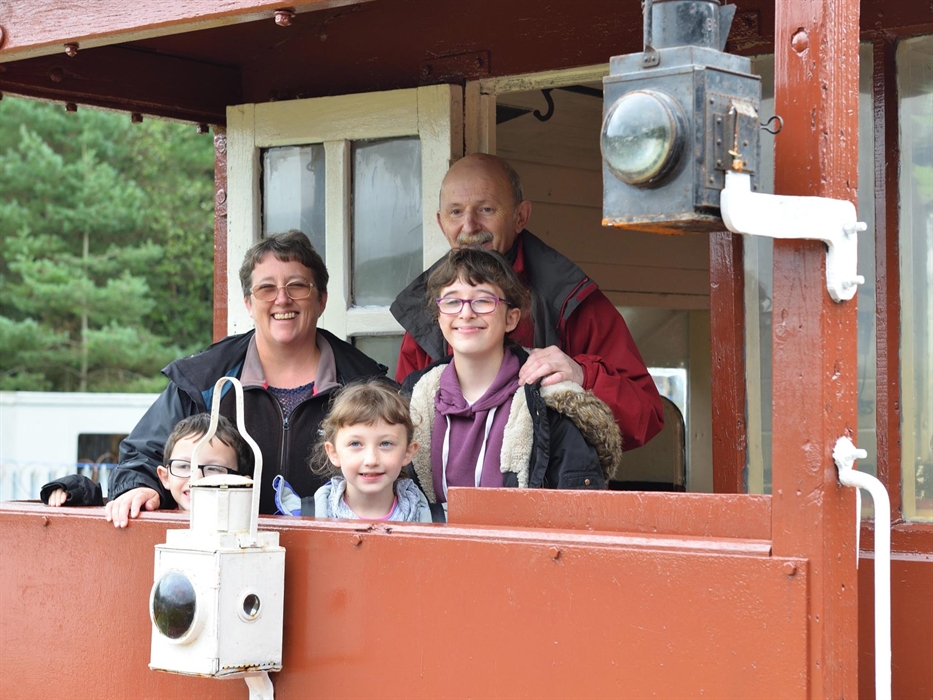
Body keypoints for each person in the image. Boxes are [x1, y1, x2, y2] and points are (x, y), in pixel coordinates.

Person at [105, 231, 386, 527]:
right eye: (266, 288)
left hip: (337, 559)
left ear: (322, 300)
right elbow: (143, 454)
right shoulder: (204, 380)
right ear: (249, 304)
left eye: (297, 286)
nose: (282, 299)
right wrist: (139, 485)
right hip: (227, 555)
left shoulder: (365, 384)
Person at [391, 153, 664, 451]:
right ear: (442, 224)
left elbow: (646, 417)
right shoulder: (429, 305)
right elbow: (402, 428)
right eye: (456, 212)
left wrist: (582, 375)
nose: (469, 227)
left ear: (520, 216)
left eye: (485, 209)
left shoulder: (569, 298)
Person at [400, 248, 621, 510]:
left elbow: (580, 518)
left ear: (511, 318)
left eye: (482, 301)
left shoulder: (551, 403)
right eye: (451, 301)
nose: (466, 313)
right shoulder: (411, 399)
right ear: (438, 317)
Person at [272, 378, 431, 522]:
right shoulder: (300, 519)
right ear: (333, 453)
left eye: (386, 444)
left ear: (408, 452)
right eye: (355, 444)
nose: (371, 460)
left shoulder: (436, 521)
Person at [41, 413, 251, 510]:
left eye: (214, 468)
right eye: (184, 466)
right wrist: (71, 491)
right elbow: (105, 503)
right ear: (164, 477)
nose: (196, 478)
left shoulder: (248, 525)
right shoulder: (152, 509)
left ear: (244, 482)